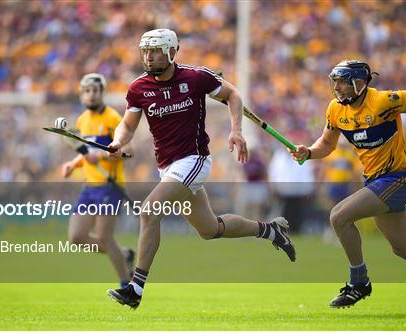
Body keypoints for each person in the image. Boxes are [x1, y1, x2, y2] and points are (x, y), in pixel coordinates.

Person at [106, 28, 296, 309]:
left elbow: (232, 94)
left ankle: (135, 289)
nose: (148, 57)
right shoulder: (138, 88)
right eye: (145, 51)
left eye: (155, 51)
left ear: (171, 51)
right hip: (168, 167)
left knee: (149, 211)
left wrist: (236, 131)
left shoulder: (195, 78)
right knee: (209, 229)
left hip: (194, 160)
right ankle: (270, 231)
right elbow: (128, 125)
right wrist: (118, 141)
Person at [289, 60, 406, 314]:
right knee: (403, 247)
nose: (337, 87)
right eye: (335, 81)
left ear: (359, 84)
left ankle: (359, 282)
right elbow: (326, 145)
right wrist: (308, 151)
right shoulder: (335, 109)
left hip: (397, 179)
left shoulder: (384, 101)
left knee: (339, 217)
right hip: (375, 181)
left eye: (343, 82)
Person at [61, 73, 135, 288]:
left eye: (95, 90)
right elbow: (87, 153)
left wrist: (103, 156)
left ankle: (125, 284)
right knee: (76, 237)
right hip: (90, 186)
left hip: (110, 185)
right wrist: (73, 164)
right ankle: (123, 254)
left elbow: (129, 149)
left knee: (104, 238)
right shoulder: (82, 120)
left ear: (102, 93)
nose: (91, 95)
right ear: (82, 94)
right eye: (87, 91)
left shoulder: (112, 118)